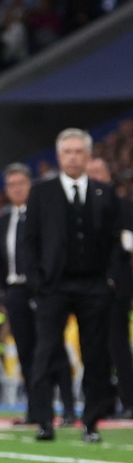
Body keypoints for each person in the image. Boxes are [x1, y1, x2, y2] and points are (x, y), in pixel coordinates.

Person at [24, 129, 121, 442]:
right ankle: (43, 420)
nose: (74, 157)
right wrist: (38, 282)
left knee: (95, 355)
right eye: (68, 151)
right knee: (47, 351)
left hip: (94, 285)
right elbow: (30, 241)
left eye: (79, 151)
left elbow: (114, 242)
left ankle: (91, 422)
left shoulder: (104, 193)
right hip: (54, 286)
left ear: (89, 155)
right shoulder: (41, 192)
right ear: (59, 155)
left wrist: (110, 280)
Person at [0, 163, 76, 426]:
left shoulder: (45, 214)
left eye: (21, 184)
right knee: (26, 351)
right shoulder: (3, 220)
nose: (16, 189)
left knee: (53, 348)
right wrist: (3, 289)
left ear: (31, 186)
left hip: (43, 289)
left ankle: (70, 408)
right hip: (15, 290)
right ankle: (37, 410)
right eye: (11, 185)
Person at [85, 157, 133, 418]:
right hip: (89, 286)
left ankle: (129, 400)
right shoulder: (79, 210)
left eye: (98, 171)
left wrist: (112, 276)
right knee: (95, 345)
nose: (93, 176)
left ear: (107, 175)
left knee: (117, 342)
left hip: (116, 284)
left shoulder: (122, 206)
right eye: (89, 173)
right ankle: (103, 402)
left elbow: (127, 243)